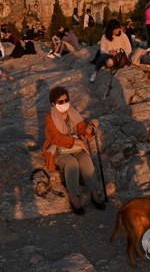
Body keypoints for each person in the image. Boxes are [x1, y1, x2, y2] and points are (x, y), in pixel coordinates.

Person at [43, 86, 105, 215]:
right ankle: (74, 197)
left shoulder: (73, 112)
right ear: (53, 104)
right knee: (72, 163)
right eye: (60, 102)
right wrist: (77, 141)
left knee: (85, 158)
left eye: (66, 100)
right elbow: (55, 138)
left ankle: (93, 192)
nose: (65, 103)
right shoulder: (50, 117)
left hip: (74, 147)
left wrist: (89, 129)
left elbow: (82, 129)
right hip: (58, 150)